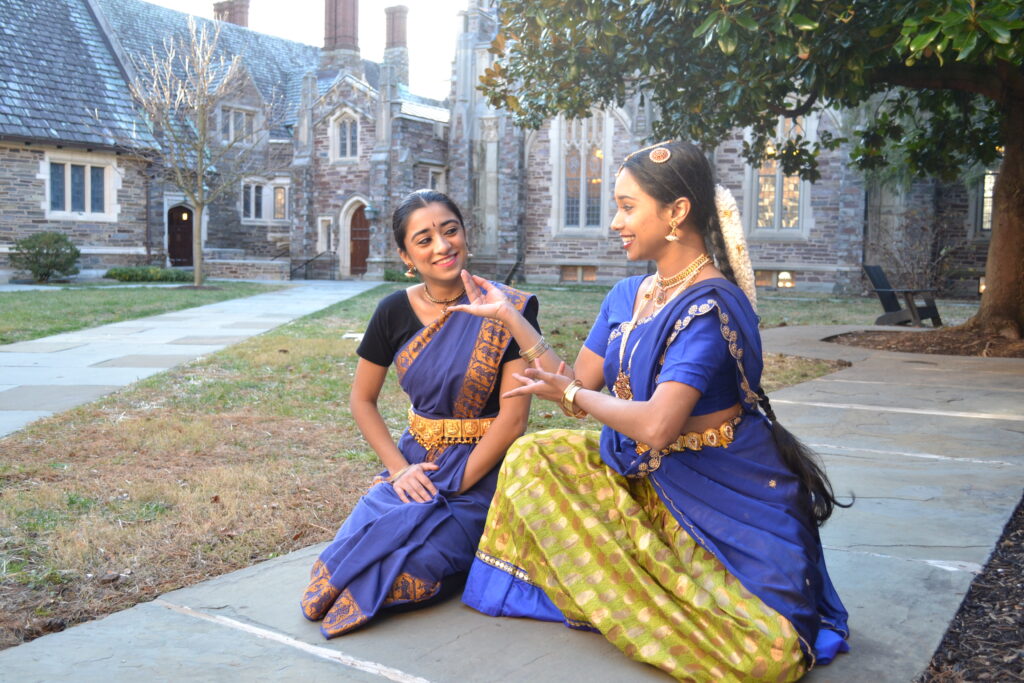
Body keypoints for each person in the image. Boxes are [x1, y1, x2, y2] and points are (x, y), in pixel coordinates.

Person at [451, 141, 850, 680]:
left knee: (769, 655)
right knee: (532, 458)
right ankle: (640, 604)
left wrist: (572, 397)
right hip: (644, 470)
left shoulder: (706, 305)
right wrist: (512, 321)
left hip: (719, 488)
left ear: (677, 212)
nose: (615, 220)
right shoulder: (626, 294)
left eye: (628, 205)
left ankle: (641, 604)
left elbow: (657, 424)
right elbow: (579, 386)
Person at [300, 189, 539, 638]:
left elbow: (514, 421)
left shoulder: (508, 308)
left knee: (412, 577)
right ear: (406, 255)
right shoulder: (393, 311)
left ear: (466, 235)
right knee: (338, 567)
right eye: (424, 239)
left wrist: (455, 481)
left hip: (483, 470)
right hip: (416, 463)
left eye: (450, 231)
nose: (442, 246)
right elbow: (362, 400)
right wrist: (400, 471)